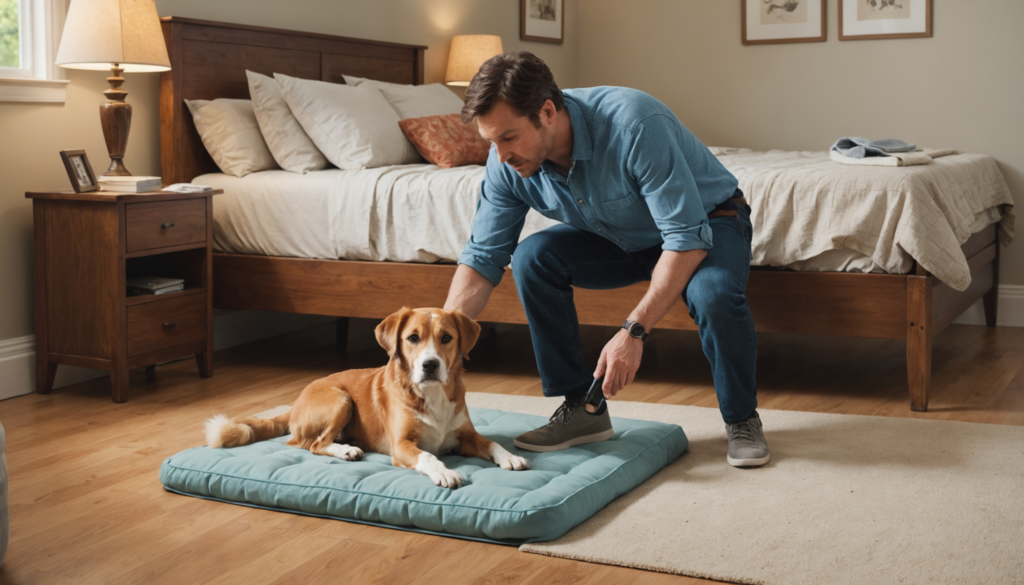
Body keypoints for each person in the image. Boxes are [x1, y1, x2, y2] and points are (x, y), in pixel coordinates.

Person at [442, 52, 769, 467]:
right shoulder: (504, 162)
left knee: (712, 296)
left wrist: (633, 331)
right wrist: (438, 341)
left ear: (547, 112)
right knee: (532, 257)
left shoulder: (634, 124)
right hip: (621, 236)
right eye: (491, 141)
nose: (501, 155)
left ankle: (741, 419)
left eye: (508, 137)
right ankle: (584, 410)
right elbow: (484, 257)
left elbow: (686, 239)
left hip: (706, 223)